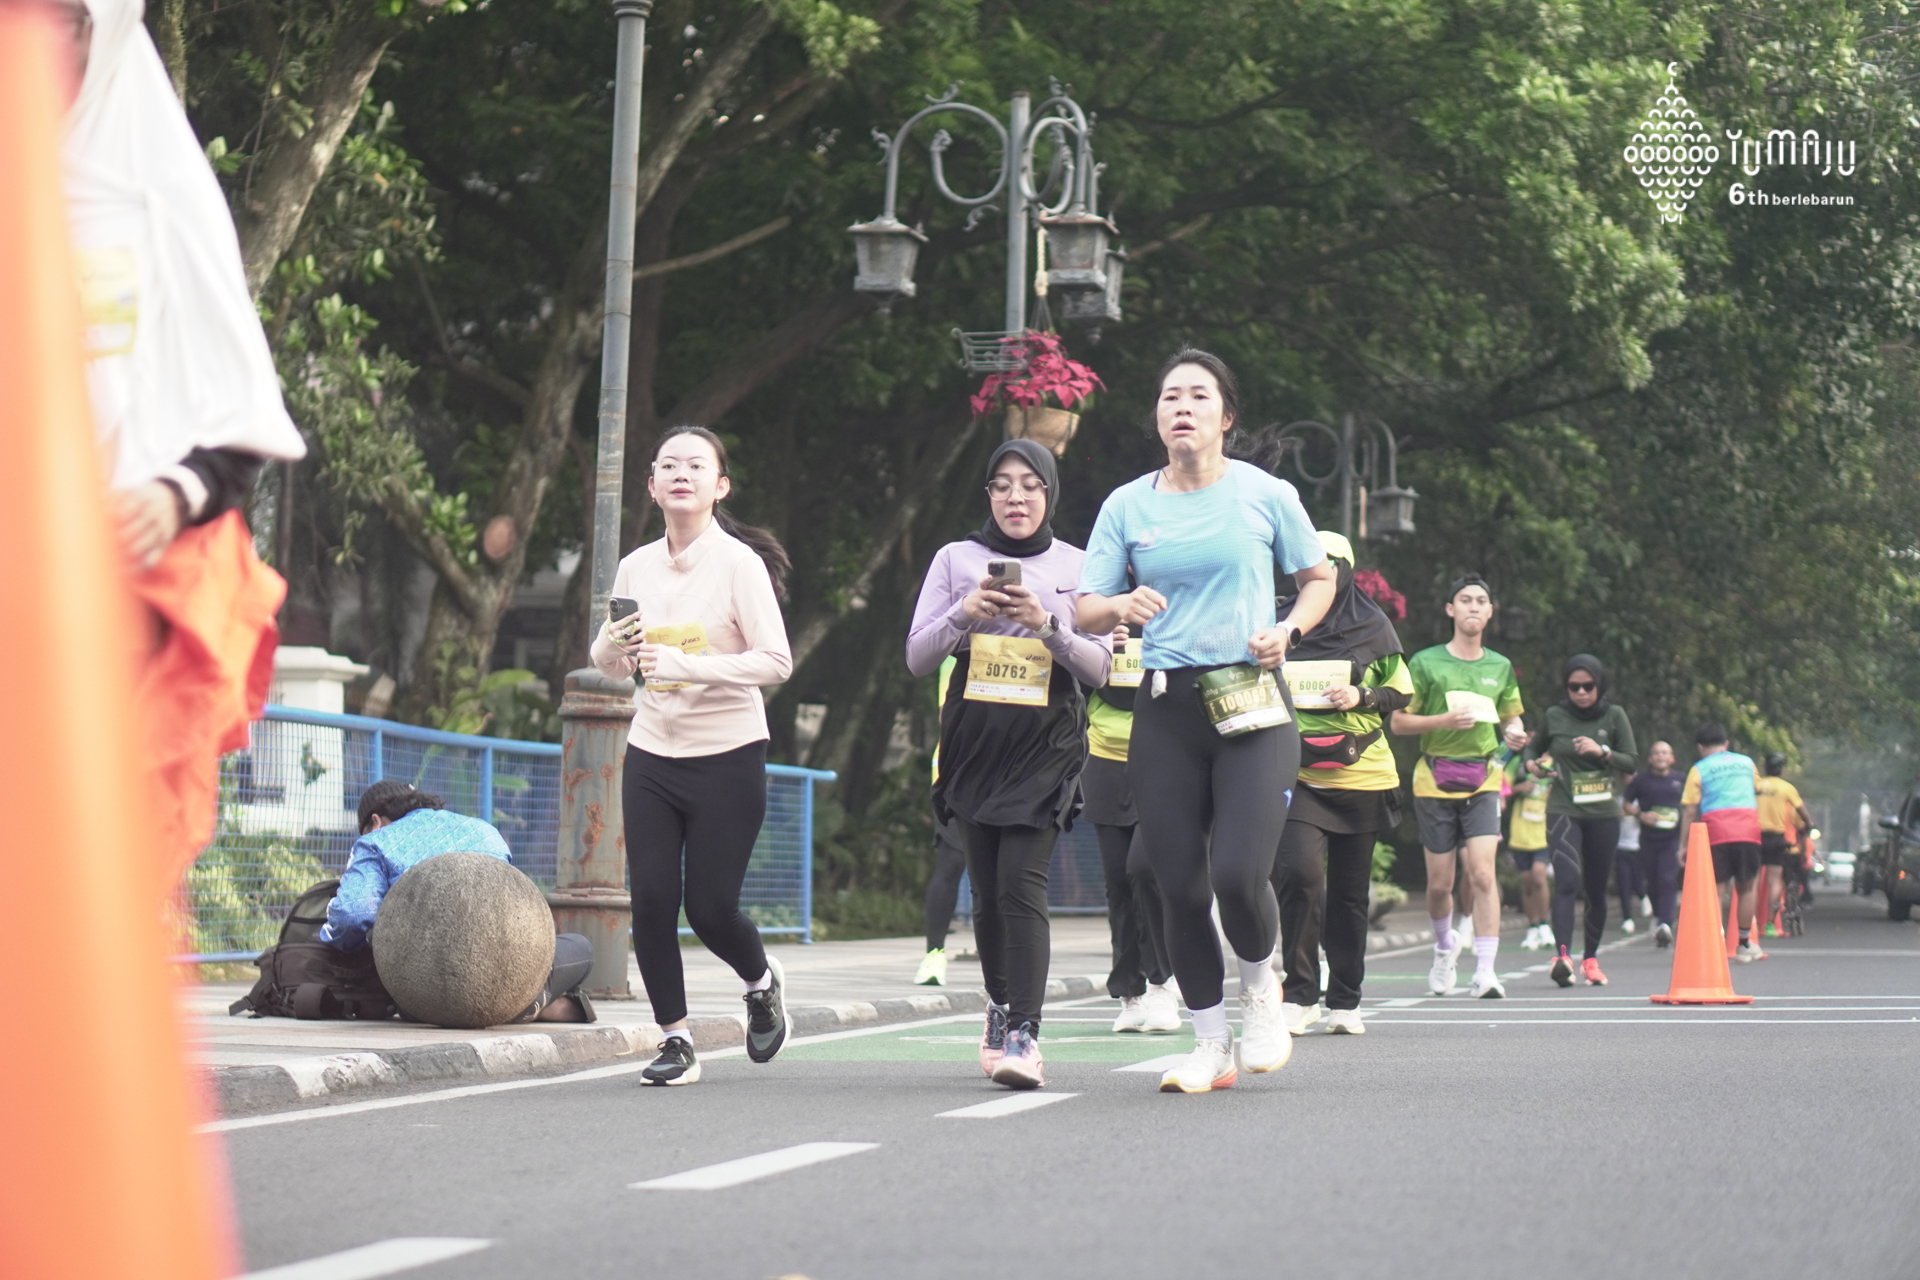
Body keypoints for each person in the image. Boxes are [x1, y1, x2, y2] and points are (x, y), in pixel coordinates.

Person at [61, 0, 307, 889]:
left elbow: (239, 422)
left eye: (64, 22)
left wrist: (172, 496)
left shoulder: (161, 201)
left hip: (128, 604)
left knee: (97, 873)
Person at [1077, 348, 1336, 1093]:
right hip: (1166, 708)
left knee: (1236, 874)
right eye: (1169, 397)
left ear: (1226, 417)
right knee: (1177, 884)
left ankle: (1261, 991)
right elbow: (1087, 608)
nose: (1181, 407)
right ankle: (1209, 1044)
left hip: (1251, 700)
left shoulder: (1266, 494)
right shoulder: (1127, 506)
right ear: (1157, 417)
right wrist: (1120, 605)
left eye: (1197, 395)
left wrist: (1288, 630)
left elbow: (1318, 578)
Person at [906, 438, 1113, 1089]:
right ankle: (998, 1007)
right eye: (1002, 485)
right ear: (989, 495)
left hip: (1046, 744)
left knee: (1022, 885)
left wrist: (1048, 625)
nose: (1015, 496)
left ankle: (1025, 1031)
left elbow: (1101, 668)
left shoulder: (1079, 564)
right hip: (974, 744)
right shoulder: (955, 559)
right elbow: (917, 656)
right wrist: (964, 613)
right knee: (989, 892)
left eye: (1029, 484)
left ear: (1049, 492)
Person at [593, 425, 796, 1086]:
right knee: (652, 898)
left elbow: (776, 661)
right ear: (651, 486)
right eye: (669, 466)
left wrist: (686, 665)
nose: (682, 474)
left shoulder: (739, 564)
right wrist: (610, 644)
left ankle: (760, 983)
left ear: (720, 486)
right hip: (653, 750)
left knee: (710, 909)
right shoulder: (635, 566)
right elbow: (613, 664)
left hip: (728, 753)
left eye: (696, 466)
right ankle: (675, 1039)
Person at [1271, 532, 1410, 1037]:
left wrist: (1362, 695)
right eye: (1306, 564)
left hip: (1362, 774)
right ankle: (1300, 995)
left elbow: (1402, 692)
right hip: (1297, 773)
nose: (1316, 573)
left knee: (1350, 895)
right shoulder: (1280, 624)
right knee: (1299, 876)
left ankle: (1346, 1001)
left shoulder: (1373, 625)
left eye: (1328, 564)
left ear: (1345, 570)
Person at [320, 781, 595, 1022]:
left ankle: (517, 1006)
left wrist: (340, 942)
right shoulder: (483, 831)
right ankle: (529, 1001)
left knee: (400, 981)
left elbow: (353, 916)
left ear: (375, 821)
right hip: (505, 969)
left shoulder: (375, 841)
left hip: (424, 999)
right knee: (581, 948)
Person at [1393, 577, 1528, 998]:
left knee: (1483, 873)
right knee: (1439, 886)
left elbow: (1511, 717)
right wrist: (1443, 721)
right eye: (1465, 600)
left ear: (1490, 612)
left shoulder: (1500, 666)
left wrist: (1515, 733)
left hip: (1484, 780)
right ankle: (1443, 946)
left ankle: (1485, 971)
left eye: (1481, 601)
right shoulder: (1425, 662)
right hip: (1434, 779)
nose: (1473, 606)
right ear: (1451, 609)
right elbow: (1398, 722)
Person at [1086, 625, 1182, 1034]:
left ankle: (1162, 984)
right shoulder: (1094, 611)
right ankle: (1131, 993)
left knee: (1145, 872)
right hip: (1104, 762)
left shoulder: (1176, 612)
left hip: (1163, 758)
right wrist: (1097, 642)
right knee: (1117, 882)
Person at [1523, 655, 1638, 987]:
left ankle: (1590, 959)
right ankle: (1562, 958)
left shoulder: (1614, 715)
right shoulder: (1554, 716)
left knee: (1596, 889)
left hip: (1603, 813)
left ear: (1599, 685)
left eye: (1588, 686)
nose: (1582, 692)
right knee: (1567, 881)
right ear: (1566, 687)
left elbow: (1631, 762)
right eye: (1574, 687)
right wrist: (1531, 765)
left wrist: (1602, 752)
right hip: (1564, 808)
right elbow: (1532, 749)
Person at [1678, 723, 1764, 962]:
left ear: (1700, 747)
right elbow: (1757, 789)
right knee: (1747, 887)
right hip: (1747, 828)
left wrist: (1683, 845)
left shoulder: (1698, 769)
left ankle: (1713, 944)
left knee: (1716, 890)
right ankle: (1744, 943)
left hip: (1715, 831)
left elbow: (1689, 810)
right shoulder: (1747, 763)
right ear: (1726, 744)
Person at [915, 656, 968, 987]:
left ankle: (1010, 961)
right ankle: (934, 954)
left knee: (1006, 873)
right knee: (951, 864)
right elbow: (948, 715)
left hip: (1012, 774)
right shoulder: (956, 649)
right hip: (956, 772)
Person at [1622, 741, 1685, 947]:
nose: (1660, 756)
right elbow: (1626, 804)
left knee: (1667, 879)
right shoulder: (1641, 780)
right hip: (1648, 839)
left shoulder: (1680, 779)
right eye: (1656, 753)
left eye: (1664, 752)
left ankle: (1665, 924)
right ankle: (1658, 916)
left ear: (1672, 758)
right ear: (1650, 759)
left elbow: (1690, 805)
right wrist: (1641, 815)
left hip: (1671, 839)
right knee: (1653, 881)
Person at [1756, 751, 1813, 935]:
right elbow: (1802, 812)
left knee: (1751, 882)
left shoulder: (1756, 786)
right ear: (1781, 769)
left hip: (1755, 836)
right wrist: (1809, 824)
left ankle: (1749, 922)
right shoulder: (1786, 788)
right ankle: (1770, 924)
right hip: (1776, 838)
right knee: (1775, 882)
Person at [1505, 748, 1553, 950]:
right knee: (1526, 881)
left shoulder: (1556, 764)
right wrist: (1519, 787)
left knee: (1539, 876)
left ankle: (1544, 924)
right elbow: (1501, 788)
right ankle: (1532, 926)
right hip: (1520, 833)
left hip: (1544, 833)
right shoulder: (1518, 762)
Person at [1614, 784, 1645, 933]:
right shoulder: (1618, 801)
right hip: (1621, 847)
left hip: (1638, 848)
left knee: (1638, 882)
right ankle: (1627, 918)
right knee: (1624, 884)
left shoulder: (1642, 801)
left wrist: (1636, 814)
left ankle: (1643, 896)